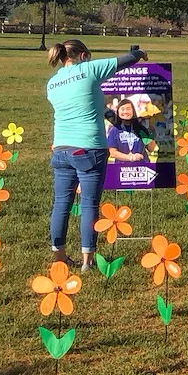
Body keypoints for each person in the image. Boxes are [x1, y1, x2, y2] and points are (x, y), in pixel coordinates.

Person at [47, 41, 145, 270]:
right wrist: (140, 53)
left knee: (61, 204)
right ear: (83, 55)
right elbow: (126, 61)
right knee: (90, 204)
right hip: (89, 148)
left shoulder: (52, 83)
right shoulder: (88, 69)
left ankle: (59, 258)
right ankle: (87, 261)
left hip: (61, 149)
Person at [105, 98, 156, 164]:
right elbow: (112, 152)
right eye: (122, 109)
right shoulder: (114, 130)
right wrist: (130, 158)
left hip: (142, 168)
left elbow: (151, 149)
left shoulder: (141, 127)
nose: (125, 112)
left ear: (133, 111)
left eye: (128, 109)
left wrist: (150, 134)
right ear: (118, 112)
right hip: (121, 169)